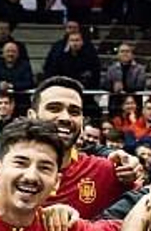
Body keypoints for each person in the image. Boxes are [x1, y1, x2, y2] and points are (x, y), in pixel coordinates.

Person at [28, 75, 141, 219]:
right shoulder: (8, 170)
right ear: (32, 116)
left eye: (74, 112)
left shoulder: (104, 171)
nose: (65, 118)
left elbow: (148, 204)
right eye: (54, 108)